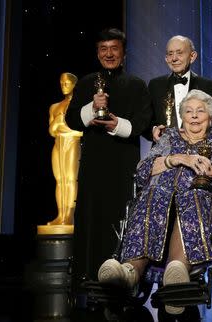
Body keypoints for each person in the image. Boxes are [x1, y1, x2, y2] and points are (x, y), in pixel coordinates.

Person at [97, 89, 212, 315]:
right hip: (161, 192)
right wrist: (176, 159)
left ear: (210, 117)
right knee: (152, 197)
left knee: (193, 198)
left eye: (200, 111)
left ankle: (177, 272)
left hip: (202, 192)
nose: (193, 116)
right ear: (182, 116)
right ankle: (128, 272)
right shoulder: (170, 136)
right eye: (188, 111)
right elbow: (143, 169)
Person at [65, 28, 152, 283]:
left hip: (123, 163)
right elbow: (71, 120)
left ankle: (122, 276)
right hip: (92, 163)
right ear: (97, 53)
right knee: (91, 216)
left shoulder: (137, 85)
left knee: (120, 216)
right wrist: (92, 107)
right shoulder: (85, 83)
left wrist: (118, 125)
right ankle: (89, 277)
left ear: (124, 53)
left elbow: (144, 122)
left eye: (114, 48)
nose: (109, 54)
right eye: (103, 49)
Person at [149, 35, 212, 141]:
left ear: (192, 56)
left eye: (179, 53)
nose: (174, 58)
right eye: (170, 54)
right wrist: (154, 129)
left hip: (198, 151)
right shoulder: (155, 85)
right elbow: (147, 121)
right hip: (164, 151)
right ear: (166, 59)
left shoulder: (208, 86)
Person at [47, 72, 82, 227]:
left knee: (70, 179)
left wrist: (62, 126)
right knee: (59, 181)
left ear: (74, 84)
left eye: (67, 83)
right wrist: (59, 123)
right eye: (62, 83)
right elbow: (52, 130)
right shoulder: (55, 107)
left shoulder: (78, 104)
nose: (64, 86)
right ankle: (60, 214)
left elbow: (81, 131)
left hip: (72, 142)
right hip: (58, 144)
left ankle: (69, 215)